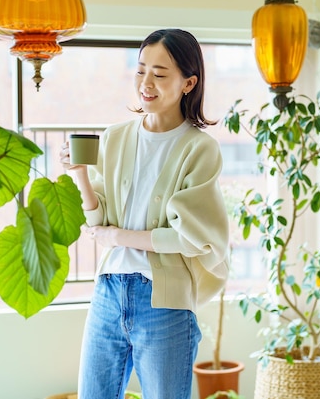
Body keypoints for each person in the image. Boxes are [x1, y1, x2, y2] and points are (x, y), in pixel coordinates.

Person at [60, 28, 230, 399]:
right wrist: (81, 176)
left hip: (163, 301)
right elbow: (97, 221)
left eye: (160, 73)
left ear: (189, 83)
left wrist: (119, 237)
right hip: (108, 291)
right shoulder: (116, 136)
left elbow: (192, 238)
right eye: (140, 70)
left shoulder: (199, 149)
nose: (146, 83)